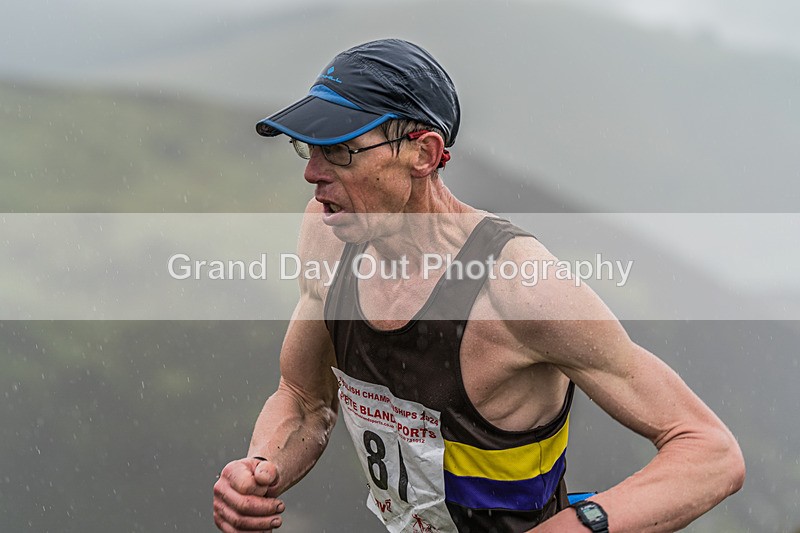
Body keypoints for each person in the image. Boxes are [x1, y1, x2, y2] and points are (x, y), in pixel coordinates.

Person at [213, 39, 744, 533]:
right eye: (307, 148)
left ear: (423, 153)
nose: (312, 173)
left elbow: (710, 453)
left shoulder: (523, 289)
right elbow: (305, 399)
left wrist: (579, 527)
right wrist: (260, 469)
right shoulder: (328, 235)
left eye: (340, 150)